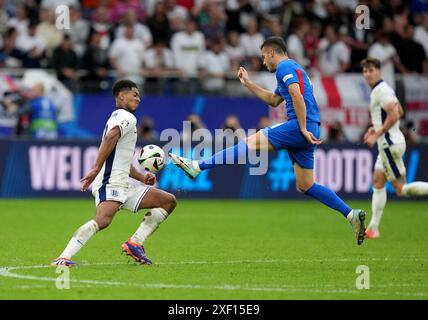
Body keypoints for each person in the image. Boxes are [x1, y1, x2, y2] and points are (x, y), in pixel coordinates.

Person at [170, 36, 367, 245]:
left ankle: (197, 166)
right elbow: (274, 101)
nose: (264, 62)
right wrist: (248, 84)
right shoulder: (295, 69)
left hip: (300, 126)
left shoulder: (284, 66)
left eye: (264, 57)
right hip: (311, 128)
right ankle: (350, 214)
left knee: (249, 143)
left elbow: (297, 96)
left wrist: (300, 127)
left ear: (273, 53)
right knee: (305, 185)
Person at [52, 80, 177, 267]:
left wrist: (142, 177)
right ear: (121, 96)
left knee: (168, 201)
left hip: (123, 183)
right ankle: (63, 258)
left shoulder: (121, 118)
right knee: (102, 220)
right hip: (111, 182)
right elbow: (111, 136)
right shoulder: (126, 117)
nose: (139, 98)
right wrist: (95, 169)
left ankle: (135, 243)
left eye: (139, 95)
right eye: (134, 94)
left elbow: (122, 161)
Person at [361, 57, 428, 239]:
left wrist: (378, 133)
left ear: (379, 71)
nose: (367, 74)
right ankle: (373, 228)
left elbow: (394, 115)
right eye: (365, 71)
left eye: (371, 70)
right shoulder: (384, 89)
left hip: (389, 144)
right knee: (378, 182)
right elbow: (400, 111)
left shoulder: (381, 90)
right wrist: (376, 127)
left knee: (401, 189)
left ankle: (374, 228)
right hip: (391, 142)